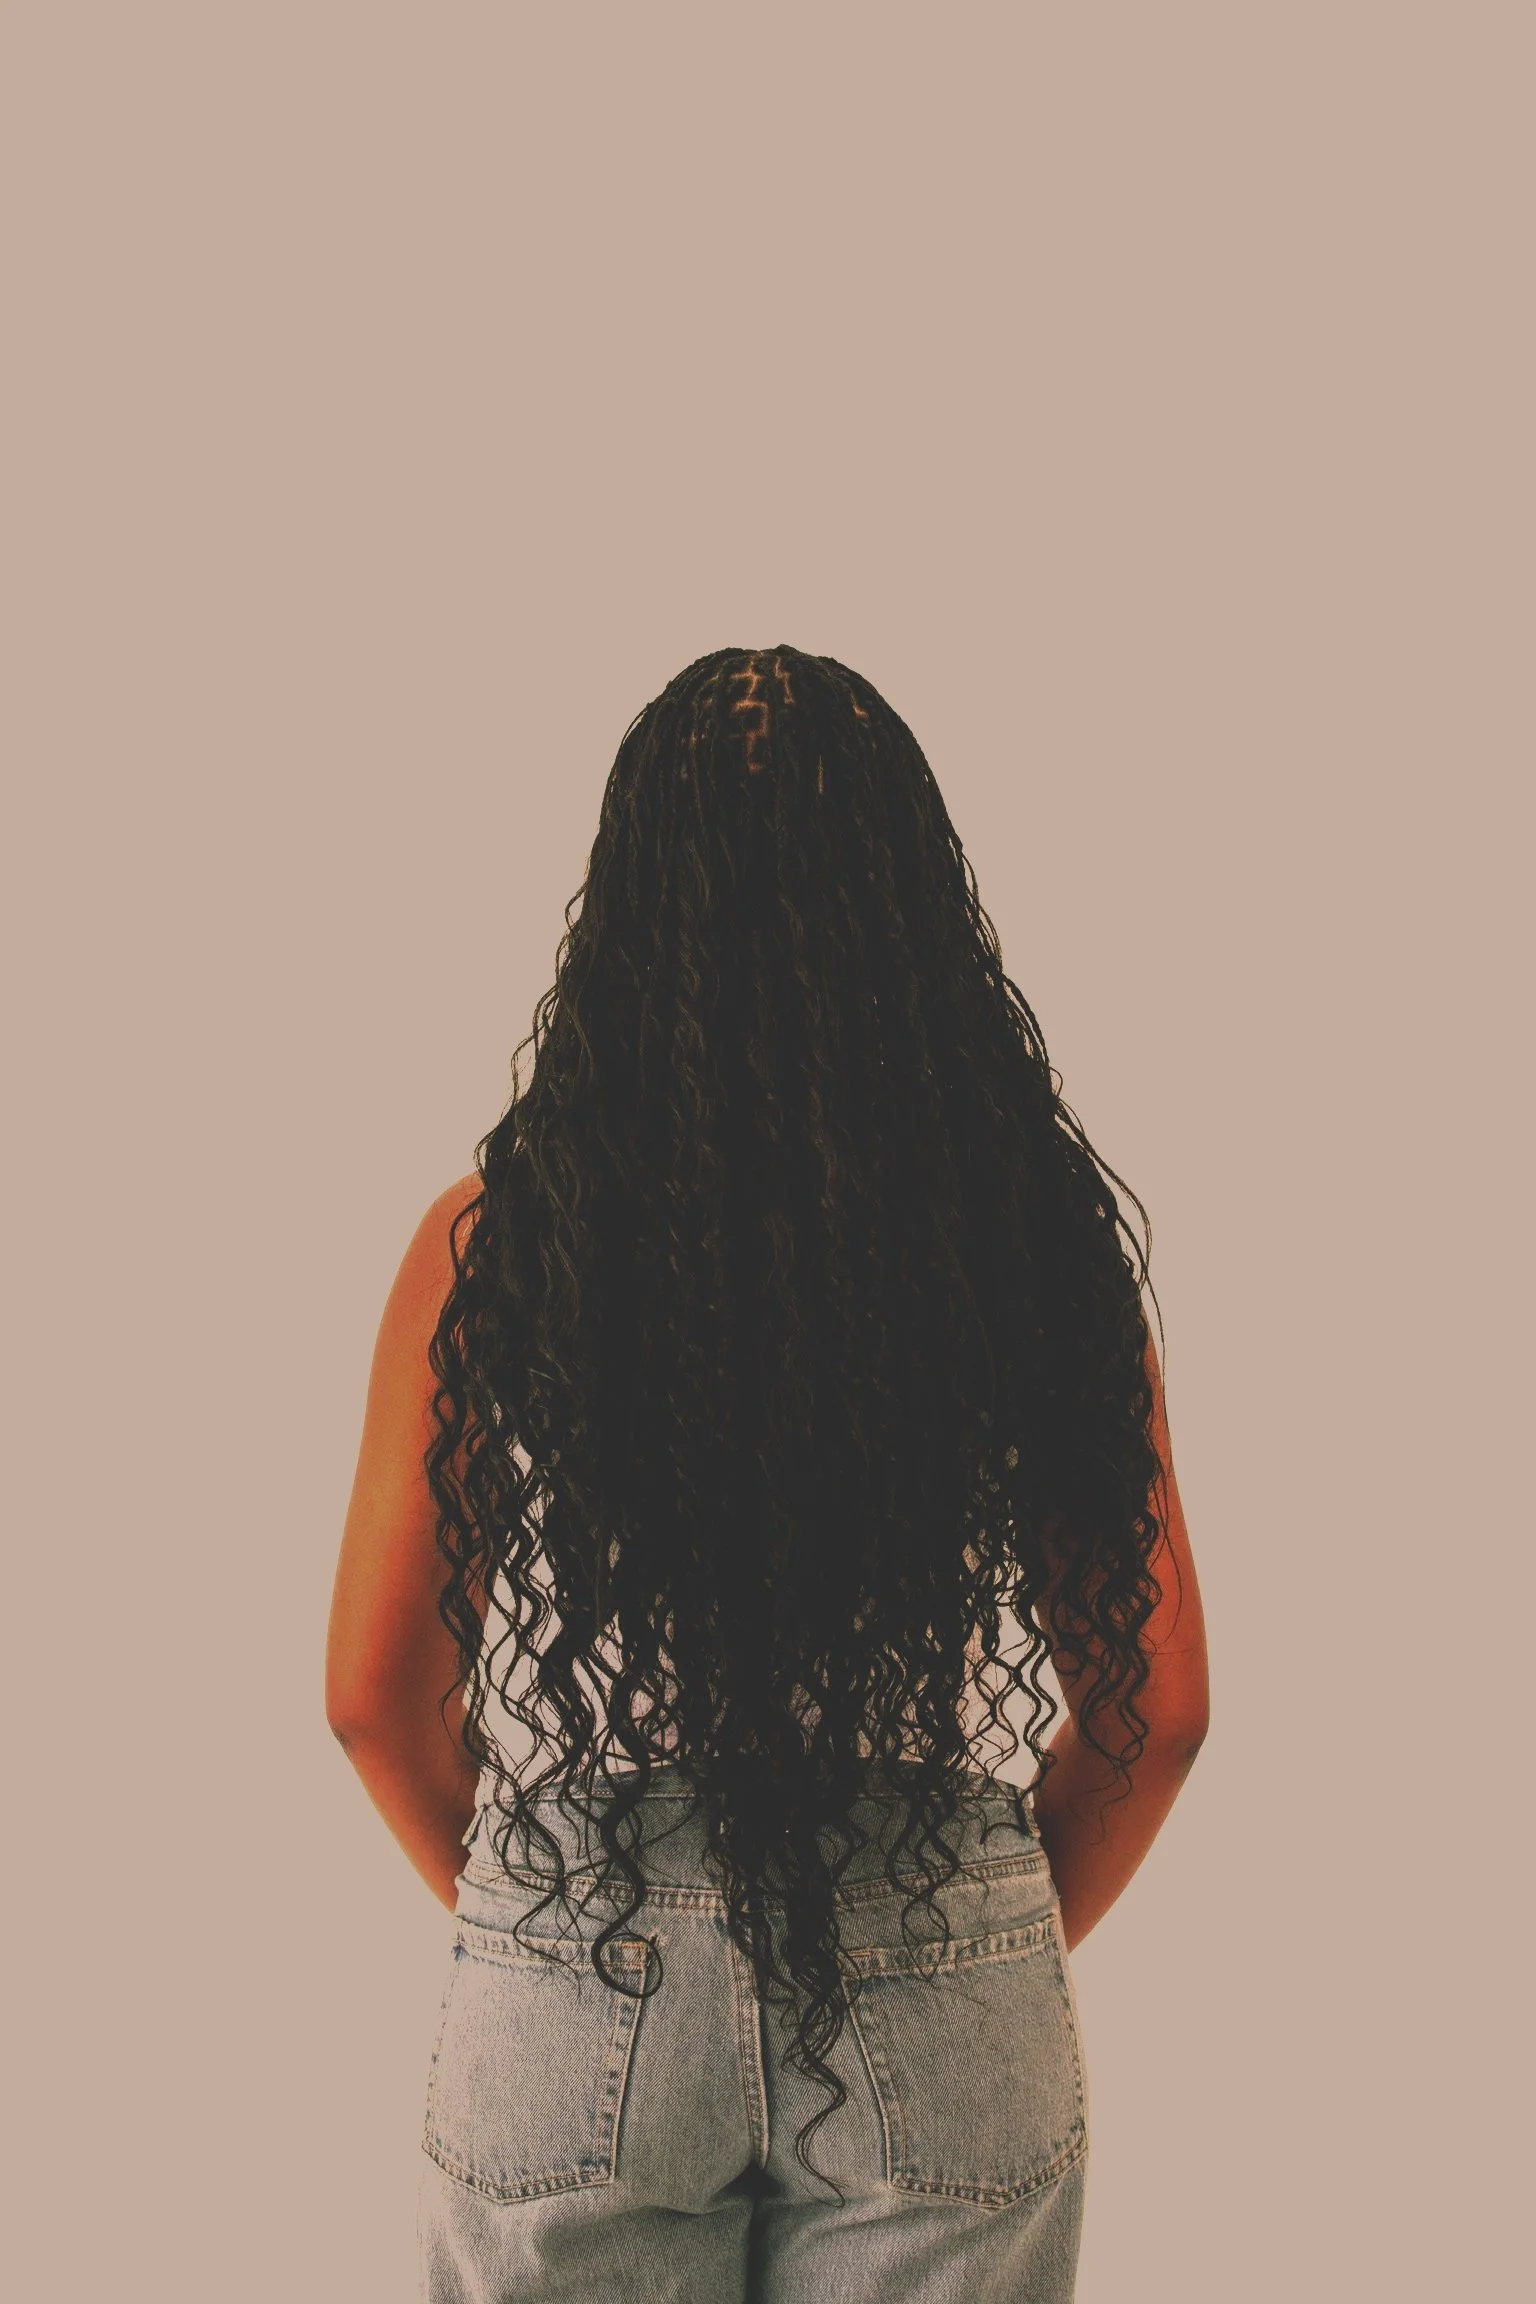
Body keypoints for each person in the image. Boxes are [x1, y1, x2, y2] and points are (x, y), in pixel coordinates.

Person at [326, 644, 1210, 2303]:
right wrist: (961, 1949)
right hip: (939, 1945)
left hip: (573, 1958)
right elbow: (1157, 1707)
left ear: (630, 898)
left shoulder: (494, 1243)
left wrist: (556, 1932)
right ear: (912, 905)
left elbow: (374, 1697)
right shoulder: (1034, 1244)